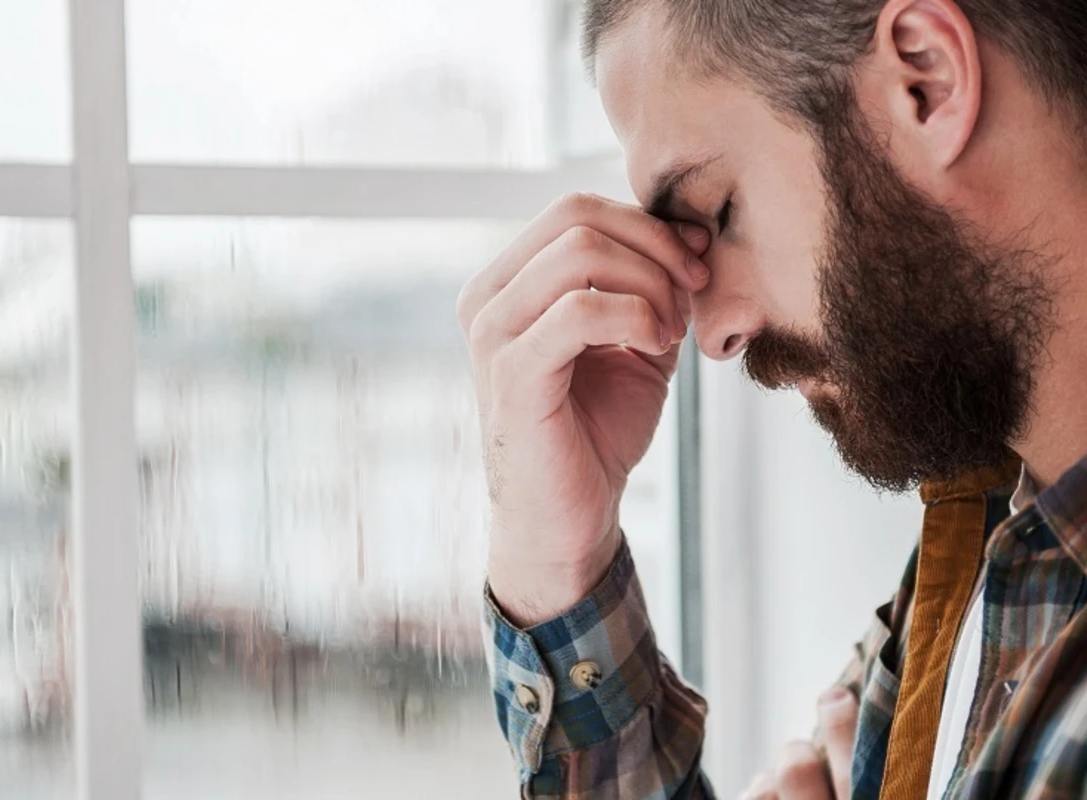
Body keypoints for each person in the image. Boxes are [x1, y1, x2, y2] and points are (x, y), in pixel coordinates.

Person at [456, 0, 1087, 797]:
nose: (711, 333)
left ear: (927, 80)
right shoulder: (980, 547)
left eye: (717, 211)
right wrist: (555, 563)